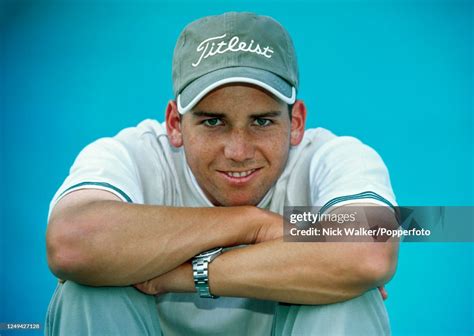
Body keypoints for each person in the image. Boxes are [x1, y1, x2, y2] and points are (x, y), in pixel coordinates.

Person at [45, 11, 399, 335]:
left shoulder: (332, 156)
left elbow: (369, 252)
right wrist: (250, 223)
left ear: (296, 123)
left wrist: (188, 275)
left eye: (262, 121)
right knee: (87, 288)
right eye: (213, 122)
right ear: (174, 125)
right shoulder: (133, 154)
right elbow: (71, 243)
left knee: (352, 294)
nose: (238, 151)